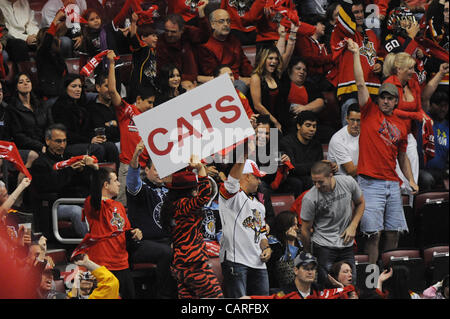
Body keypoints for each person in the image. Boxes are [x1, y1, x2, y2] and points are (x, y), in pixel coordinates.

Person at [348, 37, 419, 265]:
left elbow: (402, 156)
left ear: (396, 101)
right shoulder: (369, 111)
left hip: (393, 183)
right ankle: (371, 280)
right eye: (383, 98)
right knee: (373, 234)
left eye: (390, 98)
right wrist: (355, 54)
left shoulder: (401, 124)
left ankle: (387, 273)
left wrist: (410, 179)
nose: (386, 101)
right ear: (378, 100)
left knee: (393, 232)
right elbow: (360, 84)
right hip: (370, 182)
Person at [160, 155, 224, 299]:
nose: (196, 191)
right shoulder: (184, 205)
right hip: (194, 265)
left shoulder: (172, 206)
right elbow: (205, 196)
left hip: (180, 267)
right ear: (188, 190)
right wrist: (201, 168)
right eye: (194, 189)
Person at [126, 141, 177, 299]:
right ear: (146, 170)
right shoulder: (141, 189)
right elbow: (133, 181)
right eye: (156, 169)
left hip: (165, 240)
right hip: (141, 244)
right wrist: (135, 156)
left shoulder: (169, 191)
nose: (160, 173)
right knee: (166, 253)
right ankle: (164, 296)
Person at [300, 161, 365, 287]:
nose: (317, 186)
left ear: (331, 175)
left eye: (320, 182)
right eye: (314, 182)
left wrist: (353, 225)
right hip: (324, 246)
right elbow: (305, 230)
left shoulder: (347, 182)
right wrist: (309, 254)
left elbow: (361, 203)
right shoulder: (310, 198)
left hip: (346, 244)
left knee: (351, 286)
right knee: (327, 287)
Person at [82, 166, 143, 299]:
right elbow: (95, 197)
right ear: (106, 185)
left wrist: (135, 233)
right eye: (115, 180)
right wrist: (94, 170)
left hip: (122, 264)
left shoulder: (119, 206)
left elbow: (126, 231)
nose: (119, 183)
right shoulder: (93, 204)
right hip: (102, 266)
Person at [219, 146, 272, 298]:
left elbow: (261, 233)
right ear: (247, 176)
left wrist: (267, 248)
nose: (260, 181)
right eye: (257, 177)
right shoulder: (232, 197)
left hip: (259, 263)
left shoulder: (259, 205)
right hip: (236, 261)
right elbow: (232, 181)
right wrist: (243, 156)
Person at [106, 49, 154, 207]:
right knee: (124, 207)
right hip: (128, 167)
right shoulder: (127, 111)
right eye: (149, 103)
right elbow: (112, 90)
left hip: (148, 170)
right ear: (139, 99)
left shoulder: (154, 118)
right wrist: (111, 63)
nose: (151, 106)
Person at [30, 124, 96, 238]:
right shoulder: (40, 163)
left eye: (64, 141)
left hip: (75, 200)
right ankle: (93, 243)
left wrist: (81, 171)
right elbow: (51, 186)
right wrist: (70, 170)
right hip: (54, 205)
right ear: (47, 141)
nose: (62, 145)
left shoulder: (70, 159)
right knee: (76, 212)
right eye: (58, 141)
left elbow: (84, 184)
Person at [327, 0, 383, 126]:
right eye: (355, 12)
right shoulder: (341, 32)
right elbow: (344, 17)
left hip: (372, 90)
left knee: (371, 132)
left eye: (361, 11)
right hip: (350, 90)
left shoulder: (371, 34)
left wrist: (380, 63)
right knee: (351, 133)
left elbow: (380, 54)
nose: (359, 15)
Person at [51, 74, 119, 165]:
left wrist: (95, 137)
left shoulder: (82, 105)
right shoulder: (59, 107)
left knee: (110, 146)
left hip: (84, 141)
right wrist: (89, 139)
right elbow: (67, 134)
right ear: (65, 88)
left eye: (80, 86)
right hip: (68, 144)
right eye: (74, 86)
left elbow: (88, 128)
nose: (78, 89)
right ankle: (95, 178)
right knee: (98, 149)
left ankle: (112, 177)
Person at [245, 251, 357, 299]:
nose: (310, 272)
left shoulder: (320, 291)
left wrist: (342, 289)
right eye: (306, 268)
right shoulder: (285, 293)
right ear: (296, 270)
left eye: (313, 269)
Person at [197, 8, 254, 94]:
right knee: (241, 85)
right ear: (212, 24)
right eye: (221, 21)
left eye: (228, 21)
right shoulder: (207, 46)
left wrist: (254, 76)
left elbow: (244, 62)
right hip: (221, 82)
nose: (226, 24)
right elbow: (213, 74)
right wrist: (238, 78)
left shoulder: (234, 40)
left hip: (237, 78)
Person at [156, 9, 210, 91]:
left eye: (173, 32)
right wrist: (196, 78)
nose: (169, 35)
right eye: (166, 31)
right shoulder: (160, 44)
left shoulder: (188, 32)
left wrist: (202, 16)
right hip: (173, 86)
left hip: (195, 82)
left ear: (182, 30)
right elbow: (164, 74)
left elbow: (204, 36)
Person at [279, 111, 328, 197]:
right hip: (291, 179)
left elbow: (319, 169)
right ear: (298, 126)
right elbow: (292, 168)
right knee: (297, 183)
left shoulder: (316, 144)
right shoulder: (287, 142)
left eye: (314, 126)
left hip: (310, 178)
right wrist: (316, 165)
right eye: (308, 125)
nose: (312, 129)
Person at [276, 56, 327, 138]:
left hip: (308, 124)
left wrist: (304, 108)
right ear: (289, 71)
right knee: (274, 135)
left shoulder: (310, 86)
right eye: (298, 68)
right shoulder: (282, 84)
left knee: (329, 132)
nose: (301, 72)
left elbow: (320, 102)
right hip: (286, 124)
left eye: (304, 70)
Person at [418, 68, 449, 190]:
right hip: (423, 171)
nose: (443, 109)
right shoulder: (424, 118)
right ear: (431, 105)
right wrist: (441, 73)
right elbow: (425, 97)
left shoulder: (448, 126)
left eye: (446, 106)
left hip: (441, 172)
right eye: (439, 105)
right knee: (427, 179)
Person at [35, 8, 69, 99]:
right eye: (56, 38)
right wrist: (56, 19)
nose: (59, 39)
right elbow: (48, 40)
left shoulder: (57, 55)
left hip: (62, 95)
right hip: (51, 97)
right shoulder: (42, 55)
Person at [127, 11, 159, 103]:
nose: (156, 38)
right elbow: (133, 37)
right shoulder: (142, 50)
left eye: (156, 36)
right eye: (153, 36)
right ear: (143, 38)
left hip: (149, 89)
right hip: (138, 91)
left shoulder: (153, 52)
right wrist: (133, 22)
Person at [266, 210, 302, 290]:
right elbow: (284, 266)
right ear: (285, 226)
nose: (296, 228)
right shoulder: (273, 242)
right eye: (293, 225)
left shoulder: (298, 242)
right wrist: (290, 242)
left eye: (297, 225)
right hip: (277, 285)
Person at [86, 73, 121, 150]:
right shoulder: (91, 108)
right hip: (107, 146)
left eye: (112, 86)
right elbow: (99, 131)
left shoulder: (119, 105)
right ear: (98, 87)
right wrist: (114, 123)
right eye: (107, 86)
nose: (111, 89)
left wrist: (109, 124)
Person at [327, 103, 361, 177]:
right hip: (343, 180)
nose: (355, 124)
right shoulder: (338, 139)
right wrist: (373, 163)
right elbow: (351, 171)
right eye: (352, 120)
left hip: (361, 178)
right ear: (347, 119)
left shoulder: (366, 133)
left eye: (358, 120)